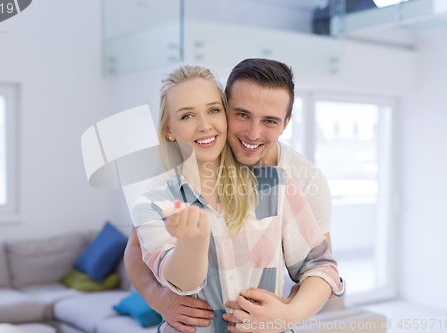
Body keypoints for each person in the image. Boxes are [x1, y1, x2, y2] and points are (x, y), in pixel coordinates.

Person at [124, 58, 335, 333]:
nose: (253, 133)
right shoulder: (169, 177)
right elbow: (137, 248)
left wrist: (285, 315)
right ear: (228, 108)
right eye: (242, 115)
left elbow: (321, 267)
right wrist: (159, 298)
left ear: (285, 124)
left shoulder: (298, 181)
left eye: (269, 121)